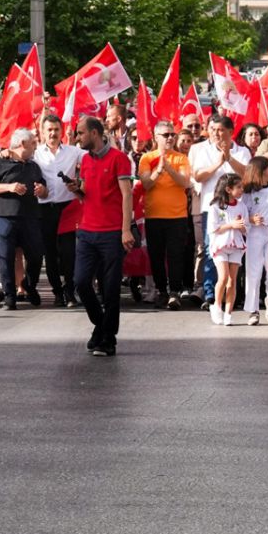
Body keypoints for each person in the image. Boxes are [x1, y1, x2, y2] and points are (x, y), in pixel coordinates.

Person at [65, 116, 135, 357]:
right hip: (86, 231)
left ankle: (107, 339)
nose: (77, 138)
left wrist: (126, 229)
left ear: (95, 133)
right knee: (81, 282)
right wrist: (77, 190)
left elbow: (127, 195)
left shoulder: (119, 158)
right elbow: (86, 195)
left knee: (111, 288)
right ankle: (101, 325)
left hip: (112, 232)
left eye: (80, 133)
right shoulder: (84, 160)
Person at [189, 114, 250, 309]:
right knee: (211, 249)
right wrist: (218, 161)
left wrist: (229, 158)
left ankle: (232, 295)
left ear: (231, 132)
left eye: (220, 130)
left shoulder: (242, 151)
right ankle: (211, 295)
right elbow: (198, 176)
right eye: (213, 129)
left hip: (237, 209)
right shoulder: (203, 150)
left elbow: (246, 176)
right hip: (211, 207)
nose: (216, 133)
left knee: (235, 249)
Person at [0, 128, 48, 310]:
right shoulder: (0, 163)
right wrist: (9, 187)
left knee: (35, 256)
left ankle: (29, 284)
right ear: (23, 144)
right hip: (5, 217)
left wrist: (42, 191)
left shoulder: (34, 166)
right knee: (5, 257)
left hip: (30, 218)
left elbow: (45, 189)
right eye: (33, 143)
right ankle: (10, 296)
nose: (36, 147)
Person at [139, 121, 193, 309]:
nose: (170, 138)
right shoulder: (147, 158)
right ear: (156, 137)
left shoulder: (181, 158)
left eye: (172, 134)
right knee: (156, 256)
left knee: (176, 255)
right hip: (154, 215)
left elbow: (185, 182)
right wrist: (158, 169)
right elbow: (146, 184)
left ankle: (174, 292)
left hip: (177, 216)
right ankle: (162, 291)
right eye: (166, 135)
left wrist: (169, 168)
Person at [34, 114, 85, 307]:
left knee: (68, 252)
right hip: (44, 208)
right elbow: (16, 156)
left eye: (56, 129)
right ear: (43, 132)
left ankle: (70, 290)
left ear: (62, 131)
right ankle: (57, 291)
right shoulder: (36, 153)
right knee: (50, 252)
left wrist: (80, 183)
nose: (53, 133)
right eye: (49, 130)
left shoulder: (73, 152)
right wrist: (6, 154)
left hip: (68, 208)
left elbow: (94, 159)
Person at [240, 157, 268, 325]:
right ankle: (253, 310)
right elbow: (241, 215)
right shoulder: (247, 193)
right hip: (255, 235)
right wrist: (250, 219)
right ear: (260, 171)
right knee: (253, 272)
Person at [206, 173, 247, 326]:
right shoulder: (216, 206)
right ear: (228, 189)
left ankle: (228, 312)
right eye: (239, 187)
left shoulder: (241, 206)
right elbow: (213, 228)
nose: (242, 190)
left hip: (236, 246)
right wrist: (231, 225)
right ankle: (216, 307)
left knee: (232, 280)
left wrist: (242, 227)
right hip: (220, 246)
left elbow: (246, 227)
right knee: (223, 278)